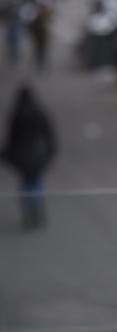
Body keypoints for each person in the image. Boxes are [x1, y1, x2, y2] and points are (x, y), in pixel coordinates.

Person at [1, 84, 57, 230]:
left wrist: (8, 154)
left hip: (22, 155)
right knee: (36, 181)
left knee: (26, 182)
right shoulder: (40, 112)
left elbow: (11, 138)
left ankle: (28, 209)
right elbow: (49, 133)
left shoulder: (16, 114)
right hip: (38, 154)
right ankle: (37, 207)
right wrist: (51, 150)